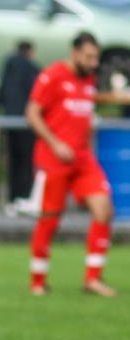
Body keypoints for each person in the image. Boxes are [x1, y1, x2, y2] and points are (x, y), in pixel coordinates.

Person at [25, 32, 130, 297]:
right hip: (54, 158)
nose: (94, 63)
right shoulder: (53, 75)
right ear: (75, 53)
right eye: (89, 57)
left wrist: (118, 98)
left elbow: (89, 99)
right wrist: (55, 143)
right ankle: (38, 281)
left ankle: (92, 279)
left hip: (83, 158)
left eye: (96, 57)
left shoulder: (88, 78)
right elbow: (32, 113)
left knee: (104, 210)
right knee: (50, 220)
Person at [0, 41, 40, 215]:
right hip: (27, 122)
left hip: (10, 119)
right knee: (27, 162)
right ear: (30, 51)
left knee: (14, 163)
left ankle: (12, 199)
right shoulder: (32, 68)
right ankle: (24, 199)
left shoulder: (8, 66)